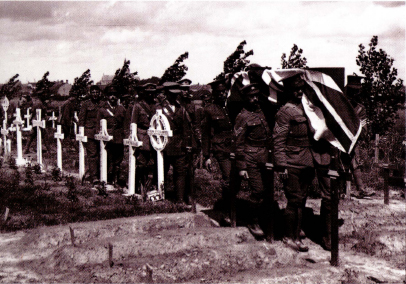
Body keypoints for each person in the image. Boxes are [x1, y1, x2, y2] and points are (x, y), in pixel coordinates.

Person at [273, 74, 314, 252]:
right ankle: (289, 237)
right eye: (295, 89)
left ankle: (297, 233)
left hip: (307, 161)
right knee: (294, 201)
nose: (299, 92)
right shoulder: (285, 112)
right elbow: (278, 139)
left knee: (302, 200)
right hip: (291, 163)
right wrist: (281, 165)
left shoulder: (307, 109)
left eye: (301, 89)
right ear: (289, 90)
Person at [234, 83, 272, 238]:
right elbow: (238, 143)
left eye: (256, 96)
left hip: (264, 157)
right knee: (257, 191)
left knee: (267, 192)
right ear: (245, 98)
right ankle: (252, 220)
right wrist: (242, 167)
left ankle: (264, 219)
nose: (255, 99)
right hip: (250, 158)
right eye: (251, 96)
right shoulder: (242, 117)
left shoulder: (261, 112)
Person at [156, 82, 193, 207]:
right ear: (166, 94)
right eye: (171, 94)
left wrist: (187, 144)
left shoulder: (180, 108)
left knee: (180, 172)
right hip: (163, 145)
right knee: (162, 171)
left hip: (179, 145)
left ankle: (179, 199)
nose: (174, 97)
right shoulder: (159, 108)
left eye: (176, 94)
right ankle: (161, 196)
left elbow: (186, 127)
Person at [202, 79, 234, 220]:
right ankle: (226, 212)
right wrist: (207, 155)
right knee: (228, 178)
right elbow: (206, 134)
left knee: (235, 179)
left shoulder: (230, 108)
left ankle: (231, 207)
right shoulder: (209, 110)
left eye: (224, 91)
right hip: (220, 149)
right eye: (219, 92)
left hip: (233, 147)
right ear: (214, 94)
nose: (222, 94)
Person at [96, 85, 126, 187]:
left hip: (119, 138)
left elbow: (125, 123)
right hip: (107, 138)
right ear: (107, 96)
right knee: (109, 159)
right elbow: (98, 126)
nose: (112, 97)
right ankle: (106, 179)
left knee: (118, 160)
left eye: (114, 95)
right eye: (110, 95)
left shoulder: (121, 108)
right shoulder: (102, 109)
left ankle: (115, 180)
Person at [130, 83, 157, 194]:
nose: (150, 95)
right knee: (141, 162)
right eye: (148, 92)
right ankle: (138, 186)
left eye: (152, 93)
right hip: (142, 135)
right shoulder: (138, 106)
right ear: (144, 93)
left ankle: (152, 186)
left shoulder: (156, 105)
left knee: (155, 162)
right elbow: (134, 122)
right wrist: (135, 137)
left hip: (155, 135)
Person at [78, 85, 102, 187]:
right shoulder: (86, 104)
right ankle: (94, 177)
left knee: (101, 154)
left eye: (97, 92)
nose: (95, 94)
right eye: (93, 92)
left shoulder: (102, 103)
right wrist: (81, 134)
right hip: (89, 132)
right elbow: (81, 119)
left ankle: (101, 174)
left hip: (101, 132)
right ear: (90, 93)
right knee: (92, 155)